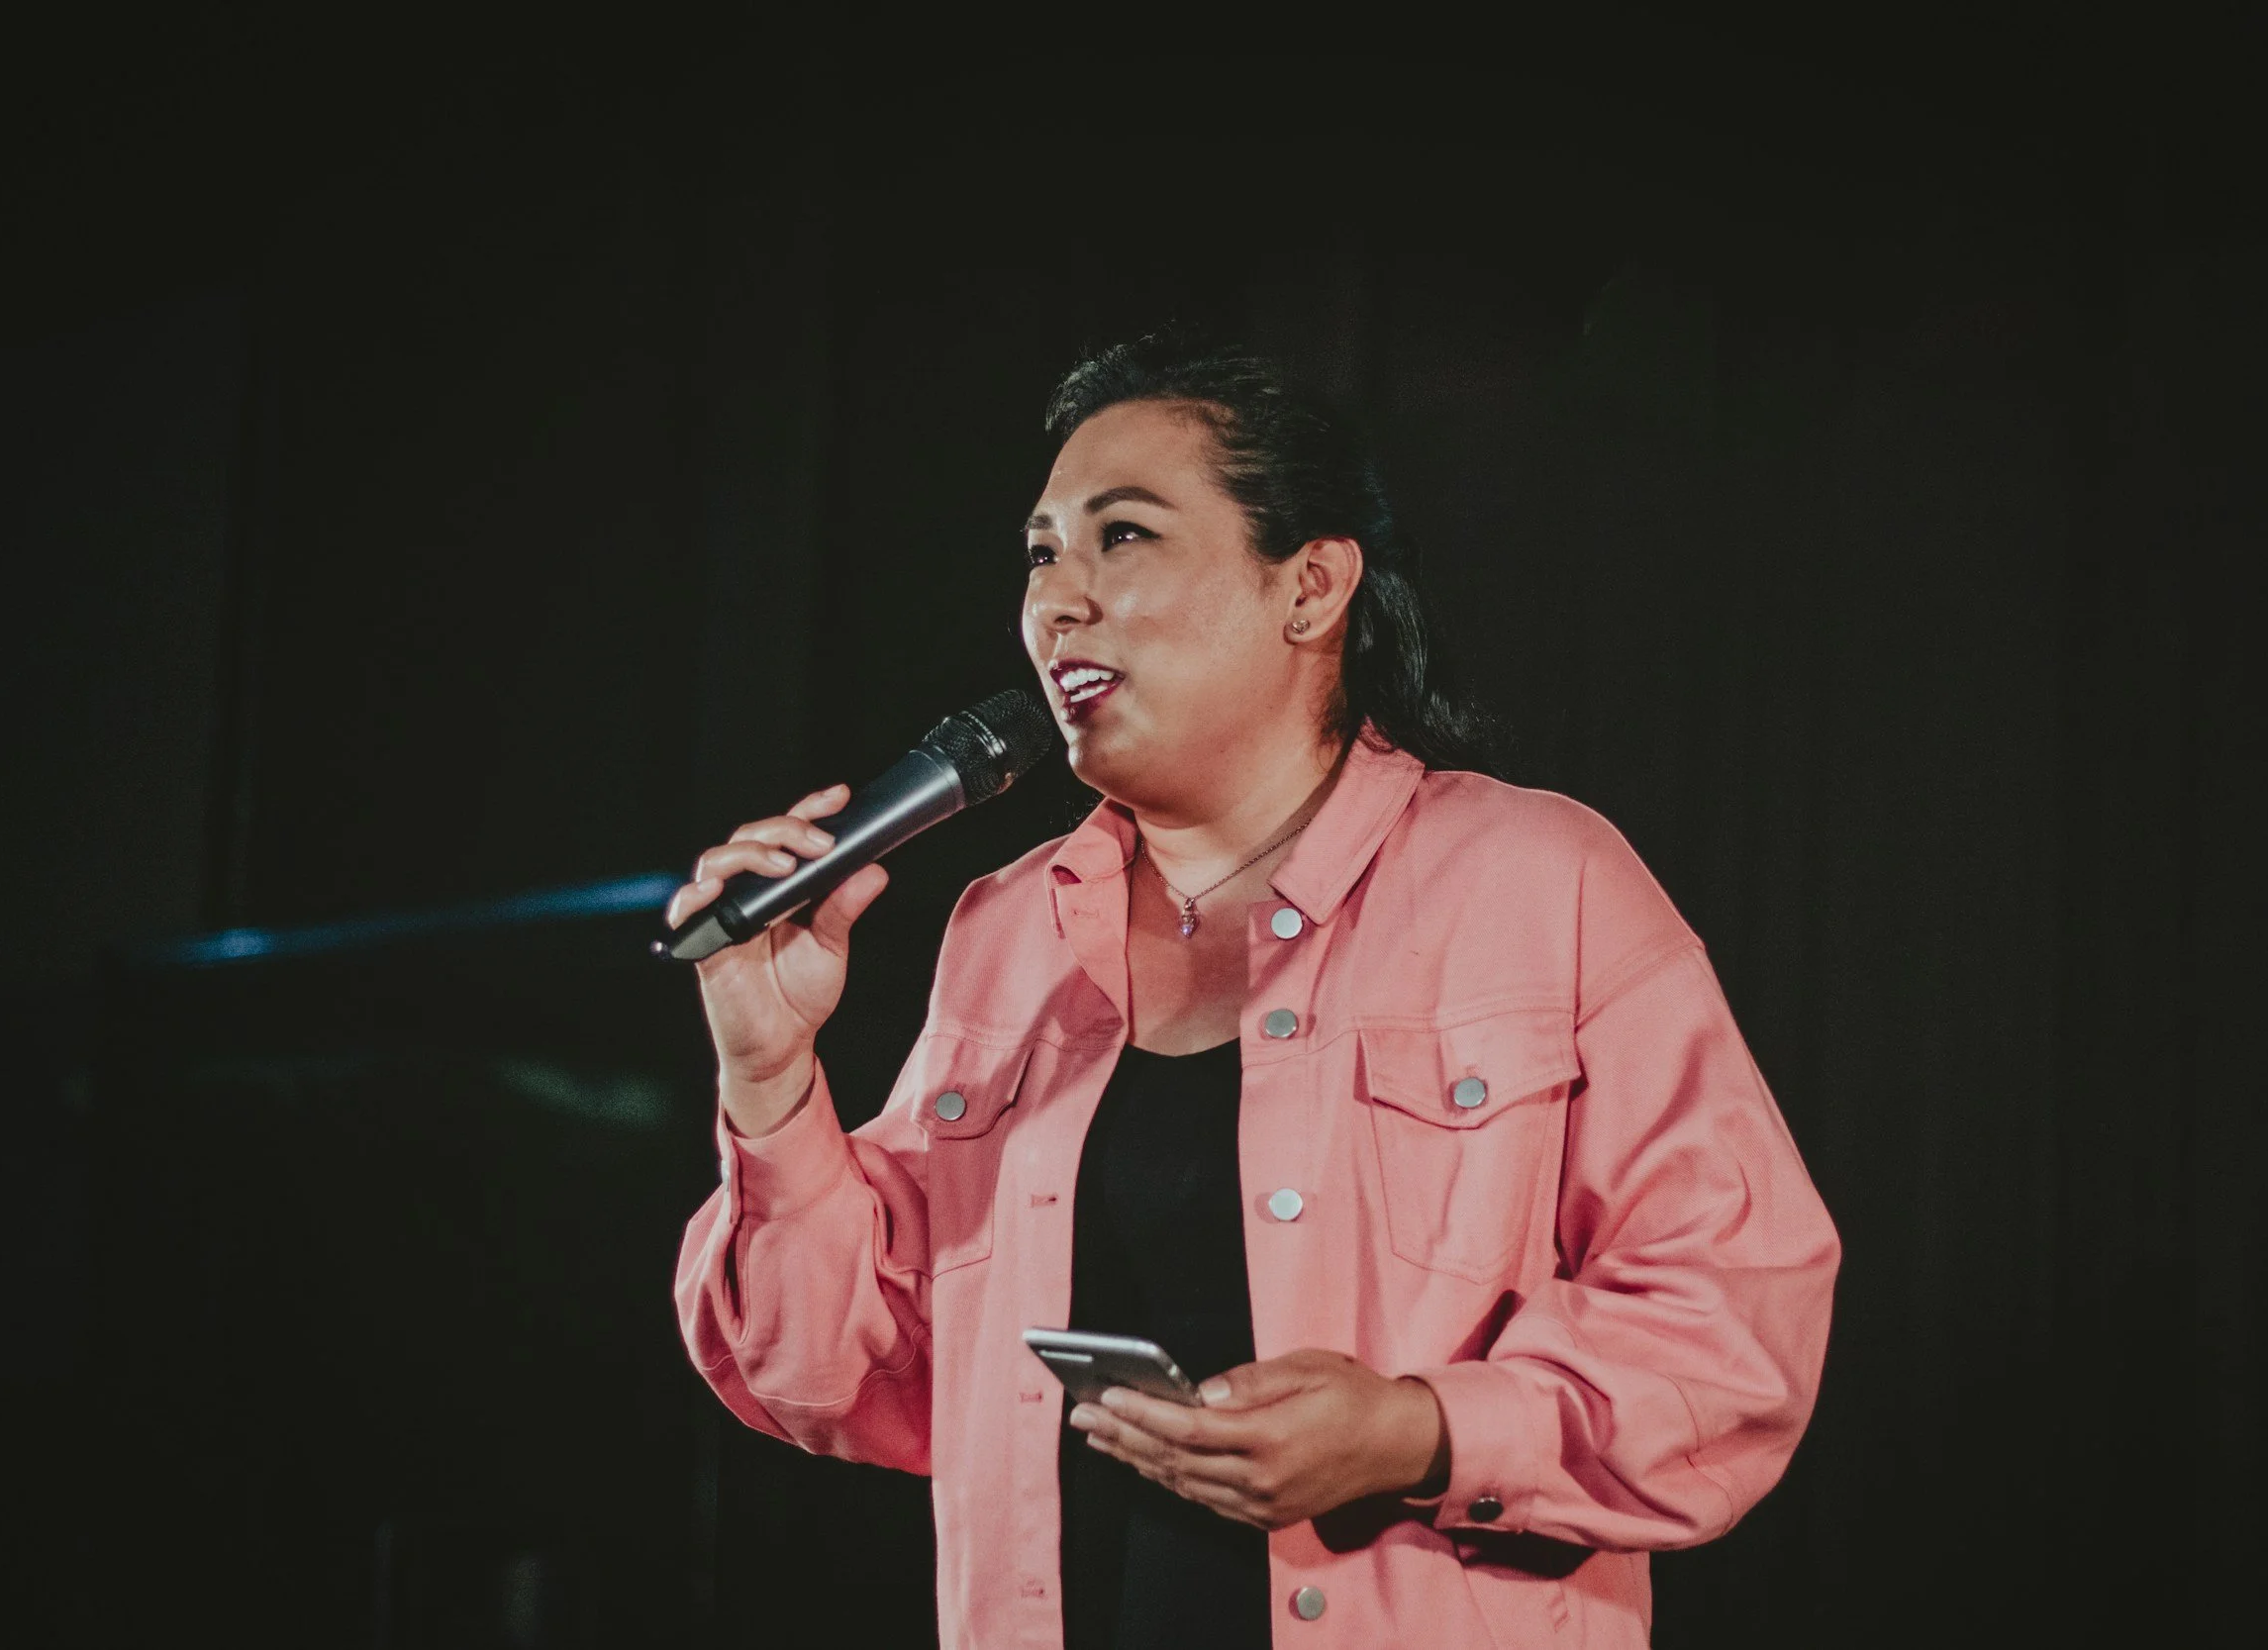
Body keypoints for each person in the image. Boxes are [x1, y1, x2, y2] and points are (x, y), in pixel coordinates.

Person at [670, 339, 1839, 1649]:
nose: (1059, 600)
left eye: (1124, 536)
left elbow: (1735, 1331)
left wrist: (1414, 1430)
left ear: (1311, 585)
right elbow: (837, 1370)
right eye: (1042, 552)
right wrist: (770, 1081)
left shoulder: (1539, 879)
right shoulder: (1007, 931)